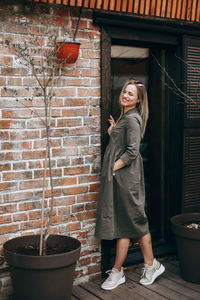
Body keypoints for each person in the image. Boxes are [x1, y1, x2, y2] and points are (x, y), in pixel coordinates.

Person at [95, 78, 165, 290]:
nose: (125, 95)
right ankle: (125, 270)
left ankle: (146, 265)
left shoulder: (133, 119)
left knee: (135, 220)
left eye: (131, 94)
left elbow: (133, 151)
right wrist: (113, 132)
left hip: (127, 179)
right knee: (127, 223)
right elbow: (123, 144)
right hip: (122, 179)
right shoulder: (126, 117)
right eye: (125, 91)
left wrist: (112, 168)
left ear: (137, 100)